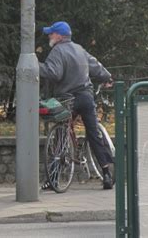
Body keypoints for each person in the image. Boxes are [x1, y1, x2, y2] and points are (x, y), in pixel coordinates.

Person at [39, 21, 114, 190]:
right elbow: (95, 66)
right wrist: (107, 77)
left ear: (59, 36)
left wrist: (35, 66)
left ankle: (54, 178)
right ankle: (107, 174)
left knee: (61, 133)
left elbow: (54, 74)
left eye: (51, 33)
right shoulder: (80, 49)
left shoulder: (57, 51)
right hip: (86, 97)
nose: (49, 36)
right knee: (93, 133)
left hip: (68, 99)